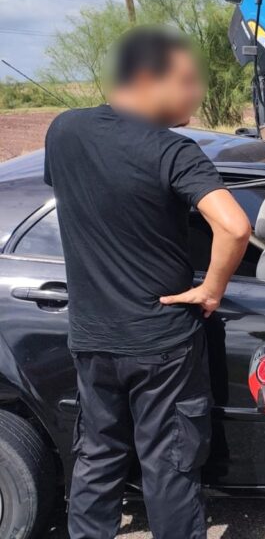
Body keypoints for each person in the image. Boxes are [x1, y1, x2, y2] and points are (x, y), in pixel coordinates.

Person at [44, 27, 251, 539]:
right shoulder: (173, 152)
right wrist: (212, 290)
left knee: (97, 457)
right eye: (184, 82)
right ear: (143, 77)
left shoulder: (64, 131)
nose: (195, 94)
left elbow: (84, 198)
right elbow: (235, 226)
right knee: (170, 465)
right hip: (160, 343)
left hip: (92, 338)